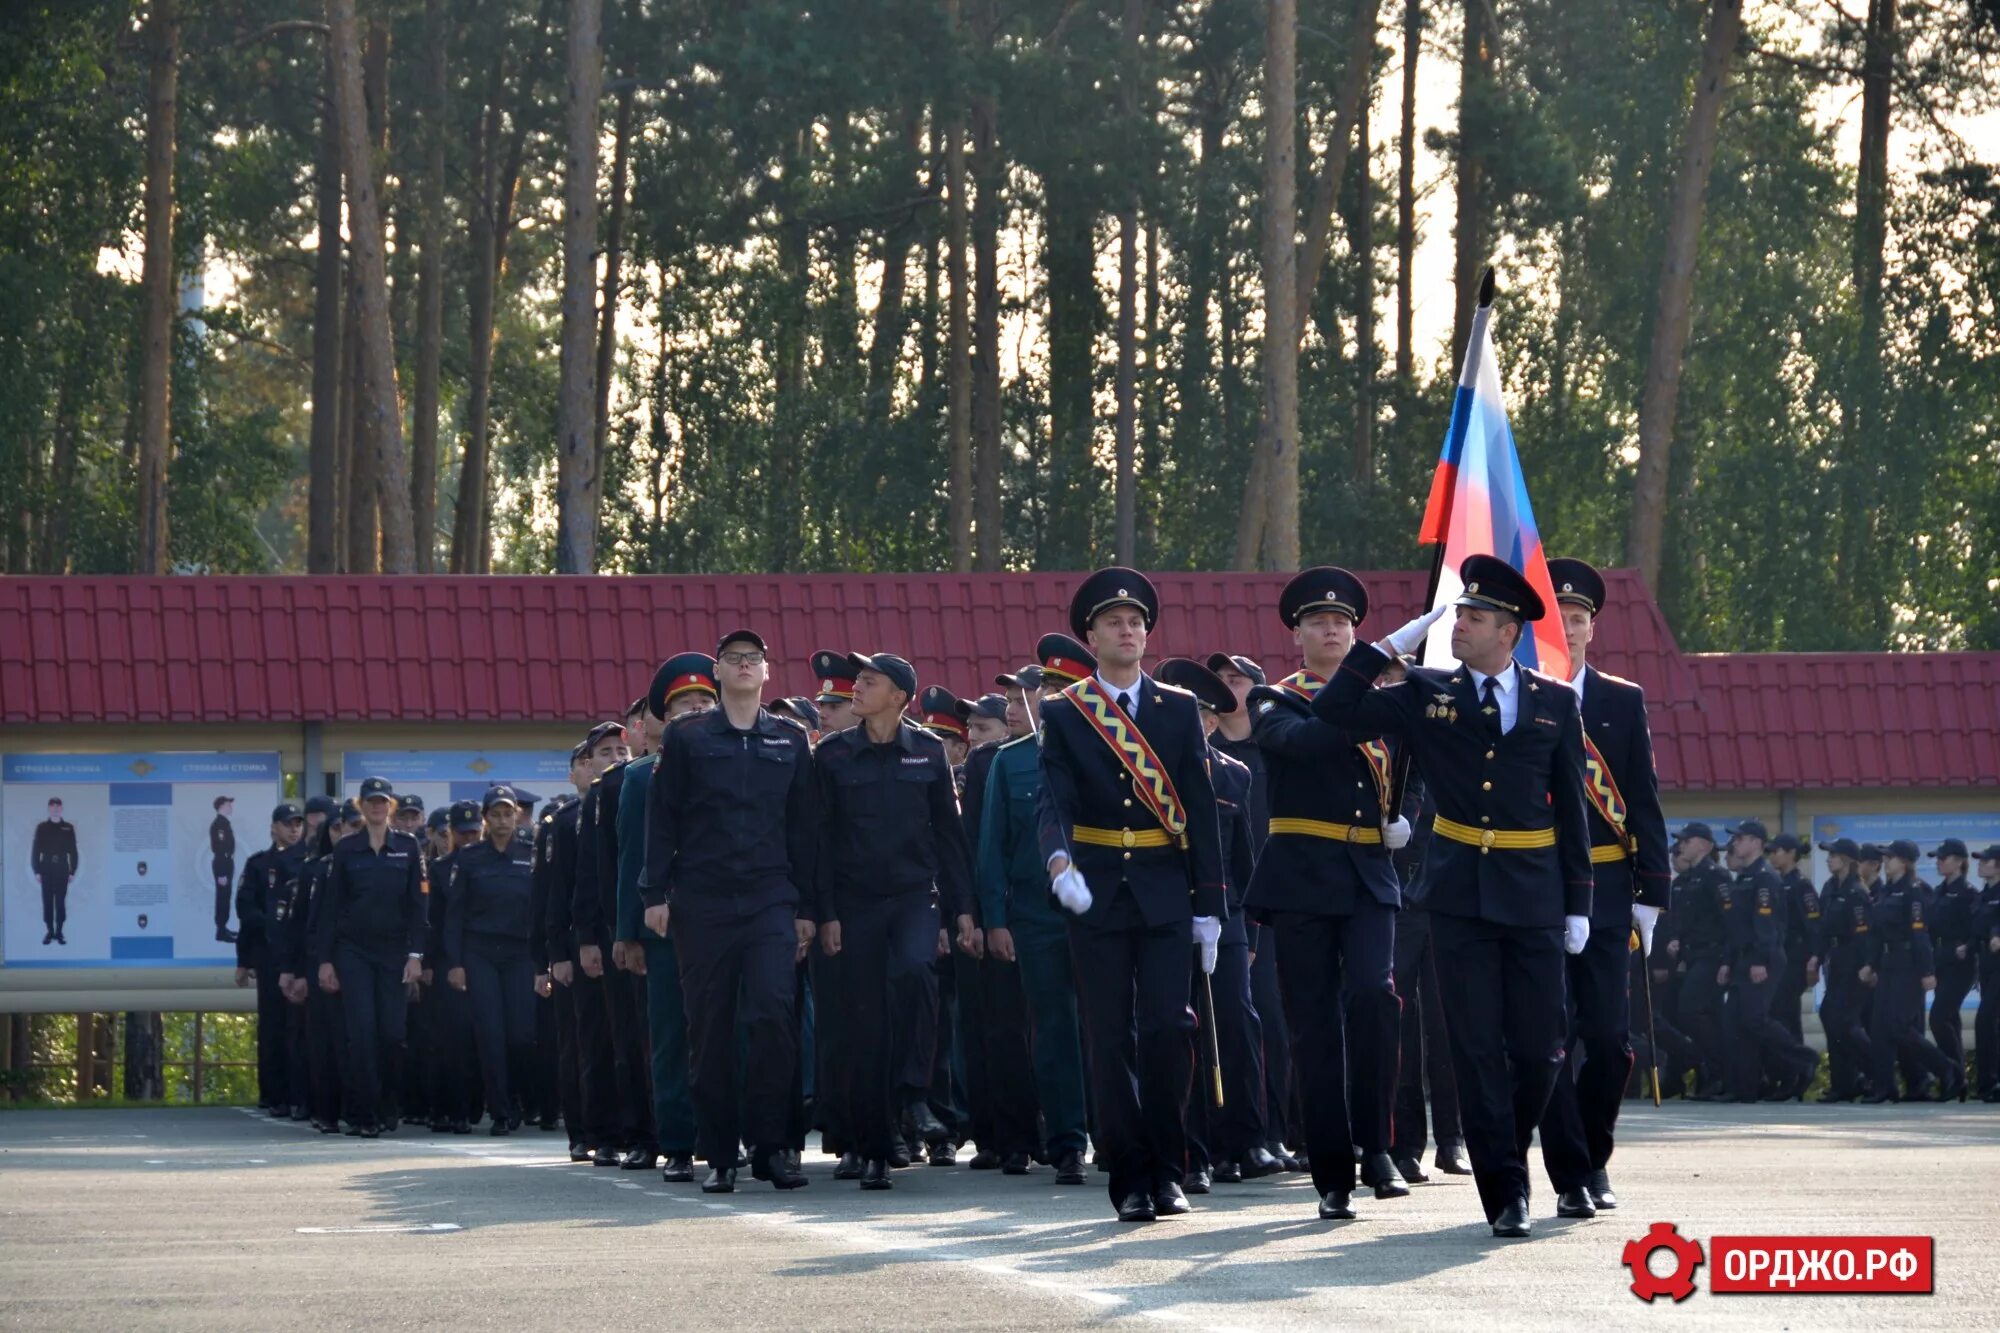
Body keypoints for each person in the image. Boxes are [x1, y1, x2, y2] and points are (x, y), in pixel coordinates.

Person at [1310, 554, 1592, 1240]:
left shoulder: (1555, 702)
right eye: (1458, 612)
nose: (1457, 623)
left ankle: (1507, 1147)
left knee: (1542, 1047)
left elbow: (1573, 810)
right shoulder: (1426, 693)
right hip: (1459, 894)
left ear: (1510, 630)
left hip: (1534, 894)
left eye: (1474, 616)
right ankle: (1507, 1189)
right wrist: (1383, 649)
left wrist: (1579, 901)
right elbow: (1335, 710)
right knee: (1474, 1048)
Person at [1037, 568, 1226, 1224]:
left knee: (1170, 1027)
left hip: (1166, 891)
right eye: (1114, 621)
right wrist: (1059, 861)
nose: (1128, 629)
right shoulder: (1064, 711)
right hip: (1097, 893)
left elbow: (1199, 810)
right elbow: (1053, 797)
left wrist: (1211, 906)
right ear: (1091, 635)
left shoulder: (1176, 708)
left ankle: (1170, 1166)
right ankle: (1130, 1175)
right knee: (1108, 1035)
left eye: (1137, 621)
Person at [1242, 568, 1408, 1221]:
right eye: (1318, 621)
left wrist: (1407, 815)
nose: (1331, 628)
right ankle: (1333, 1170)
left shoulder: (1386, 700)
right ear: (1297, 633)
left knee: (1374, 996)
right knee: (1313, 1029)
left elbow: (1412, 765)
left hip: (1369, 872)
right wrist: (1366, 687)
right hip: (1303, 878)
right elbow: (1303, 743)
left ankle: (1379, 1147)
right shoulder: (1272, 698)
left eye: (1342, 622)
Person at [642, 629, 818, 1193]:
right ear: (717, 673)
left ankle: (774, 1147)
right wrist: (654, 895)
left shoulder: (789, 740)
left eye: (754, 660)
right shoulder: (690, 737)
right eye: (733, 660)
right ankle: (718, 1152)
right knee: (709, 1029)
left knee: (772, 1016)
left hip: (770, 898)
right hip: (703, 900)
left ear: (767, 673)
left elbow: (804, 831)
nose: (744, 667)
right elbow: (663, 819)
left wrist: (808, 907)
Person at [1533, 558, 1670, 1217]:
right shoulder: (1520, 696)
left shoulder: (1622, 699)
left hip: (1611, 889)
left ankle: (1594, 1154)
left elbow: (1642, 798)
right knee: (1550, 1037)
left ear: (1592, 627)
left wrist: (1654, 888)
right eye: (1558, 617)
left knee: (1611, 1039)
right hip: (1538, 887)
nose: (1570, 626)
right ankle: (1569, 1175)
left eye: (1579, 617)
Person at [815, 652, 977, 1189]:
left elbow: (949, 840)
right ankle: (871, 1142)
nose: (857, 688)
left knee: (914, 976)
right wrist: (825, 913)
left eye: (869, 681)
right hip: (854, 904)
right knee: (863, 1023)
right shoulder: (833, 754)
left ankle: (911, 1092)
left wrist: (963, 913)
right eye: (858, 680)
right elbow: (819, 843)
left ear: (899, 696)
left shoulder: (928, 752)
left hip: (913, 898)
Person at [976, 635, 1096, 1188]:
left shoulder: (1109, 750)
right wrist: (995, 919)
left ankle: (1116, 1133)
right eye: (1045, 688)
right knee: (1052, 1031)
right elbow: (992, 847)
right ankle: (1068, 1141)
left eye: (1061, 687)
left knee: (1110, 1026)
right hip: (1036, 913)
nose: (1050, 696)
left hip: (1106, 912)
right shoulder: (1012, 760)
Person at [1153, 657, 1262, 1199]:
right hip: (1167, 913)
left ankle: (1236, 1143)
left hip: (1226, 919)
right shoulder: (1150, 776)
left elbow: (1244, 865)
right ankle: (1189, 1153)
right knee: (1181, 1030)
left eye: (1198, 714)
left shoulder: (1234, 774)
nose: (1189, 723)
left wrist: (1249, 940)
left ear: (1214, 723)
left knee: (1235, 1026)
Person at [615, 652, 718, 1183]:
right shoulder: (638, 777)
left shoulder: (740, 761)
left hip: (724, 920)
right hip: (664, 927)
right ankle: (677, 1140)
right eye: (685, 705)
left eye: (705, 701)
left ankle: (723, 1134)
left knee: (724, 1034)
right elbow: (632, 858)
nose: (696, 710)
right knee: (671, 1037)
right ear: (666, 717)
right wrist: (627, 931)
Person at [1207, 653, 1299, 1176]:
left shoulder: (1274, 744)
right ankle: (1239, 1135)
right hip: (1236, 900)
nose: (1226, 686)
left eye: (1236, 679)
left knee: (1280, 1021)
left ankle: (1279, 1132)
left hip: (1286, 895)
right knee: (1242, 1018)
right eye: (1219, 680)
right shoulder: (1209, 755)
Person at [314, 777, 428, 1137]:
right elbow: (330, 909)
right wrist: (326, 960)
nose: (377, 807)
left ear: (390, 805)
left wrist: (415, 955)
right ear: (361, 806)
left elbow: (418, 905)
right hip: (354, 952)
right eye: (371, 802)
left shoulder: (408, 847)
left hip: (394, 952)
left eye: (383, 801)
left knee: (392, 1034)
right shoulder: (347, 849)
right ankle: (364, 1114)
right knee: (360, 1034)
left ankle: (389, 1104)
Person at [575, 705, 659, 1171]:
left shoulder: (709, 768)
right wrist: (591, 935)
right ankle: (641, 1135)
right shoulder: (614, 785)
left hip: (691, 925)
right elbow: (595, 869)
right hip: (624, 929)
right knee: (629, 1037)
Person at [444, 786, 540, 1134]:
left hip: (519, 953)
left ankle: (517, 1098)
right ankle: (500, 1110)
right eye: (496, 814)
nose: (502, 820)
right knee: (490, 1034)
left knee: (521, 1035)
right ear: (485, 818)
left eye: (508, 813)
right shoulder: (469, 858)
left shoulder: (530, 854)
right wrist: (455, 963)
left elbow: (540, 910)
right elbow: (454, 916)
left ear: (516, 815)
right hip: (480, 952)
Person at [1718, 821, 1819, 1103]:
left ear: (1756, 842)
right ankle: (1745, 1088)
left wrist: (1760, 959)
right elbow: (1737, 927)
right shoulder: (1745, 878)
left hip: (1763, 958)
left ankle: (1804, 1058)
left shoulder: (1765, 878)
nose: (1735, 843)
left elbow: (1767, 925)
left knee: (1755, 1018)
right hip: (1742, 960)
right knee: (1735, 1023)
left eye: (1740, 838)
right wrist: (1728, 961)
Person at [1862, 839, 1960, 1102]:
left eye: (1890, 857)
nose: (1886, 862)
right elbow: (1875, 934)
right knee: (1880, 1027)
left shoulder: (1914, 891)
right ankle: (1885, 1087)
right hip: (1888, 962)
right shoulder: (1885, 891)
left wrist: (1927, 971)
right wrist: (1871, 964)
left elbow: (1920, 936)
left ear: (1904, 861)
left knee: (1899, 1026)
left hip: (1909, 964)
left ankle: (1945, 1068)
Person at [533, 758, 589, 1159]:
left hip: (613, 940)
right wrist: (551, 956)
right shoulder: (564, 822)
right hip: (572, 946)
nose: (611, 762)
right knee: (578, 1044)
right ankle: (583, 1132)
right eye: (597, 757)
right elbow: (548, 896)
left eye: (616, 753)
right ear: (575, 773)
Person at [237, 802, 305, 1116]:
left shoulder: (307, 862)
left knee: (298, 1027)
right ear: (274, 827)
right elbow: (245, 908)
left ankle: (297, 1092)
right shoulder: (258, 864)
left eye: (298, 824)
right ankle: (273, 1092)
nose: (294, 829)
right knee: (272, 1024)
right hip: (268, 953)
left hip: (298, 952)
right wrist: (244, 957)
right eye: (287, 823)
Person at [1669, 825, 1730, 1099]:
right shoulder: (1689, 878)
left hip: (1713, 955)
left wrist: (1727, 960)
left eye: (1687, 840)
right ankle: (1712, 1077)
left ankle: (1717, 1068)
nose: (1681, 845)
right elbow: (1685, 921)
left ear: (1704, 845)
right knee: (1704, 1016)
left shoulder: (1716, 876)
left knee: (1690, 1010)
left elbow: (1730, 921)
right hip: (1693, 956)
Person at [1814, 838, 1876, 1102]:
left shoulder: (1856, 891)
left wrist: (1867, 965)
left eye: (1834, 855)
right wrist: (1815, 959)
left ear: (1848, 860)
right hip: (1836, 959)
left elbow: (1865, 934)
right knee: (1830, 1017)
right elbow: (1822, 930)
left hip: (1855, 959)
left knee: (1846, 1023)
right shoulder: (1829, 888)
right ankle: (1843, 1084)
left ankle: (1876, 1072)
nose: (1829, 859)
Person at [1927, 838, 1979, 1085]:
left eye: (1943, 858)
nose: (1938, 862)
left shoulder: (1968, 893)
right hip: (1941, 960)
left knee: (1938, 1017)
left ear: (1958, 861)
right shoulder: (1938, 892)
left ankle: (1954, 1074)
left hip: (1960, 964)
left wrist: (1967, 946)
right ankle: (1956, 1080)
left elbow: (1978, 926)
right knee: (1950, 1019)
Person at [1768, 833, 1821, 1048]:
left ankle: (1799, 1062)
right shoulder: (1778, 882)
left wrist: (1814, 959)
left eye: (1776, 851)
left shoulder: (1801, 886)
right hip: (1782, 959)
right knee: (1784, 1013)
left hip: (1796, 960)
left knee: (1783, 1009)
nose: (1772, 856)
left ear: (1791, 854)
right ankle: (1795, 1064)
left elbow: (1814, 925)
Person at [1972, 844, 2000, 1102]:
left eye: (1986, 860)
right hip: (1987, 964)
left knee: (1987, 1019)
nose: (1981, 864)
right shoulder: (1983, 895)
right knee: (1988, 1023)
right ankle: (1987, 1084)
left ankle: (1993, 1081)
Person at [31, 798, 78, 947]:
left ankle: (59, 932)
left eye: (58, 806)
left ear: (62, 809)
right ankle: (50, 931)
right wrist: (37, 870)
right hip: (46, 868)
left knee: (60, 902)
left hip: (62, 868)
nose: (55, 809)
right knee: (47, 901)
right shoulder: (42, 827)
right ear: (49, 809)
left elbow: (73, 851)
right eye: (53, 806)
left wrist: (72, 870)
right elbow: (36, 850)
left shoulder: (68, 828)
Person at [212, 796, 239, 944]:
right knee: (222, 897)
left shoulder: (224, 823)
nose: (231, 807)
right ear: (222, 806)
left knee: (225, 896)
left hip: (227, 861)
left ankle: (223, 928)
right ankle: (221, 930)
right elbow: (220, 849)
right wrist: (222, 872)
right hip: (222, 862)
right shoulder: (220, 825)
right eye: (229, 804)